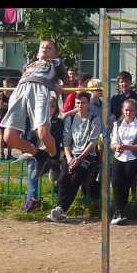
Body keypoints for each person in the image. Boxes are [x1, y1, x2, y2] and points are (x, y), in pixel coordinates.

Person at [0, 39, 67, 180]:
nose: (45, 48)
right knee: (9, 137)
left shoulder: (56, 63)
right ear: (37, 53)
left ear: (55, 54)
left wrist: (59, 85)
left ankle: (55, 162)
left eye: (49, 48)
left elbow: (65, 80)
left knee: (42, 133)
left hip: (39, 90)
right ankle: (39, 155)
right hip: (20, 91)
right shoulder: (28, 65)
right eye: (42, 47)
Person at [46, 92, 101, 222]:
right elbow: (66, 142)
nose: (80, 105)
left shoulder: (94, 120)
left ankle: (62, 210)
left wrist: (79, 159)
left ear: (88, 104)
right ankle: (60, 209)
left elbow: (92, 143)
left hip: (87, 156)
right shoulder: (70, 119)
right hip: (71, 154)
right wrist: (70, 158)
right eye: (77, 103)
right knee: (63, 178)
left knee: (75, 178)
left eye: (83, 102)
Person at [110, 99, 137, 225]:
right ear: (122, 110)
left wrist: (126, 147)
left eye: (131, 110)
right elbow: (113, 142)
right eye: (126, 110)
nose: (128, 112)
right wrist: (116, 146)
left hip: (133, 157)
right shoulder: (117, 124)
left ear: (136, 111)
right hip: (119, 156)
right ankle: (118, 211)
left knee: (125, 184)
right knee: (116, 183)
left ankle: (120, 211)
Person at [24, 97, 64, 212]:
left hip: (51, 155)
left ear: (55, 108)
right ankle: (32, 201)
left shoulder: (58, 122)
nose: (49, 109)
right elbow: (30, 137)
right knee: (32, 165)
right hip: (37, 154)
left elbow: (56, 141)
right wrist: (33, 150)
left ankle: (54, 203)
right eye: (47, 106)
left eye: (52, 106)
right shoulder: (36, 121)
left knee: (38, 168)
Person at [0, 78, 16, 160]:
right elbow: (0, 106)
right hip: (2, 116)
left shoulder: (14, 94)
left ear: (11, 85)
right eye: (4, 85)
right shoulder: (0, 94)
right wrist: (9, 105)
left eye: (8, 85)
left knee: (10, 136)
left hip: (10, 117)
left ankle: (9, 154)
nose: (6, 87)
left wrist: (7, 105)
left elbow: (15, 106)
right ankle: (1, 154)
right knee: (1, 136)